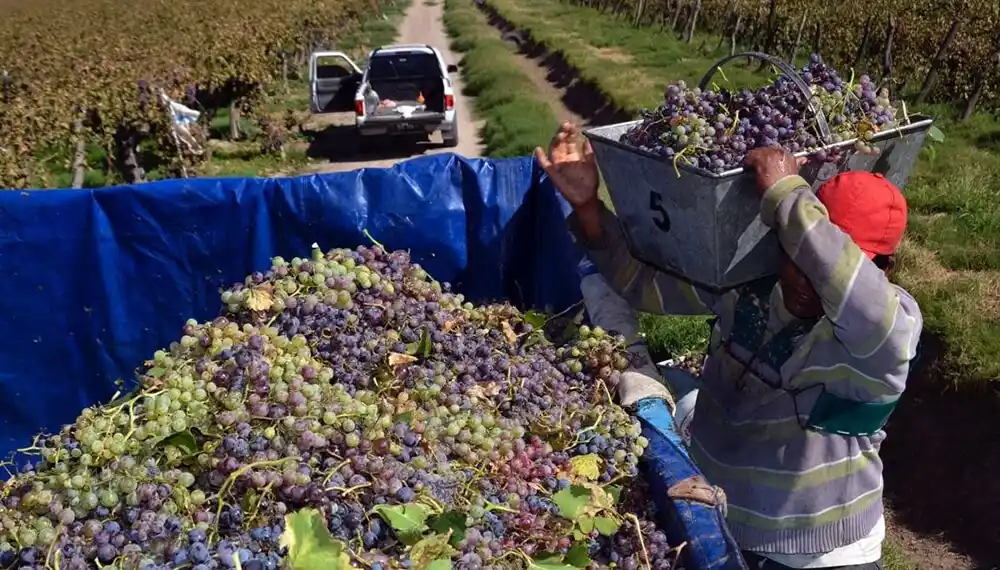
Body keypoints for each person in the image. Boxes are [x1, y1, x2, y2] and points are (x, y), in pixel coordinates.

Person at [535, 122, 922, 570]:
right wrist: (587, 208)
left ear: (885, 270)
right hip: (722, 526)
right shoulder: (748, 288)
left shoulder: (889, 334)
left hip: (824, 555)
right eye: (797, 257)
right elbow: (641, 283)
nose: (807, 279)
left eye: (819, 262)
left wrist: (788, 196)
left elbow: (858, 292)